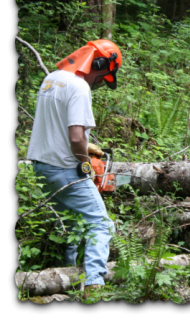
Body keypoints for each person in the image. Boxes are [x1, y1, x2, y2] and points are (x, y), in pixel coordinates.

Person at [26, 39, 122, 298]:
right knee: (101, 224)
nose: (101, 82)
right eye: (103, 76)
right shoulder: (79, 86)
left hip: (41, 166)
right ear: (100, 63)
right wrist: (84, 164)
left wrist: (91, 149)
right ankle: (93, 284)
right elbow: (76, 137)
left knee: (72, 225)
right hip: (64, 168)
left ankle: (65, 276)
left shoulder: (52, 79)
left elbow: (57, 126)